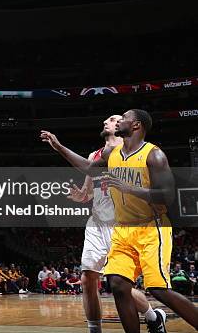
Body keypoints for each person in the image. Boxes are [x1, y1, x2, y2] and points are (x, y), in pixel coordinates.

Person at [41, 109, 198, 332]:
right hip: (122, 230)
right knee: (118, 285)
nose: (117, 121)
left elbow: (168, 195)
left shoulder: (154, 155)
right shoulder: (111, 155)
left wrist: (130, 189)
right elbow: (87, 167)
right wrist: (58, 147)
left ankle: (156, 317)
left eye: (123, 118)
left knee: (158, 290)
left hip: (150, 227)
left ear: (136, 126)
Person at [65, 115, 160, 333]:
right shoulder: (94, 155)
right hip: (97, 222)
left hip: (122, 224)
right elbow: (88, 193)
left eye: (112, 119)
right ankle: (94, 330)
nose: (105, 121)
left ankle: (153, 316)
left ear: (120, 126)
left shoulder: (132, 152)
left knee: (117, 282)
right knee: (87, 278)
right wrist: (81, 196)